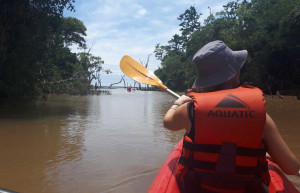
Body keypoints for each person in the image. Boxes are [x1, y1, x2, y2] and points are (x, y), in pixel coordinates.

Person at [163, 40, 300, 193]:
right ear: (234, 72)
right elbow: (291, 167)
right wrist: (264, 154)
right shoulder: (261, 117)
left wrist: (178, 102)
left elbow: (168, 122)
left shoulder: (189, 111)